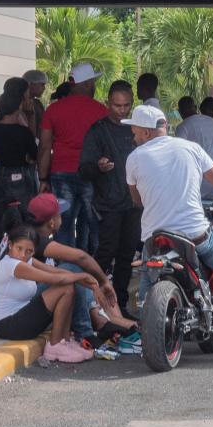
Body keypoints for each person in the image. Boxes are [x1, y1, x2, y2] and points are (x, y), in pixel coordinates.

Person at [123, 103, 213, 361]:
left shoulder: (134, 158)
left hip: (155, 238)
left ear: (146, 133)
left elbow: (137, 200)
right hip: (195, 235)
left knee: (147, 284)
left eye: (135, 132)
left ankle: (141, 336)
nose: (133, 137)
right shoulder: (191, 149)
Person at [0, 220, 94, 362]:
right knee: (65, 287)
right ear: (10, 245)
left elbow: (55, 271)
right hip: (8, 326)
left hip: (20, 317)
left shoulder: (26, 261)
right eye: (19, 248)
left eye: (29, 251)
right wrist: (82, 276)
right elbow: (53, 279)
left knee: (69, 282)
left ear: (34, 251)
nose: (23, 255)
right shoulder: (11, 265)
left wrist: (80, 276)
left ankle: (65, 341)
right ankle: (55, 345)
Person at [80, 81, 142, 313]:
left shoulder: (138, 129)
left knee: (127, 254)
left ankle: (120, 304)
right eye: (117, 106)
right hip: (108, 202)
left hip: (134, 203)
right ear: (108, 104)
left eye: (126, 105)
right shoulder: (97, 131)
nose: (122, 111)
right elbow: (83, 169)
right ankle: (88, 301)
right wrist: (98, 166)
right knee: (106, 251)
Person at [39, 62, 109, 253]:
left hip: (60, 173)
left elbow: (45, 147)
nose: (94, 86)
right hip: (92, 173)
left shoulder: (53, 110)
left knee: (64, 223)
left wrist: (43, 178)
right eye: (93, 82)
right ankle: (97, 267)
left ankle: (66, 268)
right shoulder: (101, 111)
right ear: (86, 84)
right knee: (95, 222)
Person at [0, 80, 40, 262]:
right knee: (26, 223)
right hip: (21, 177)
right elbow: (34, 154)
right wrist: (31, 119)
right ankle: (24, 262)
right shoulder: (22, 132)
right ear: (19, 103)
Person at [176, 95, 213, 170]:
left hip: (204, 174)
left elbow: (180, 152)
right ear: (196, 107)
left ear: (179, 111)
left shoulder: (182, 127)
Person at [19, 69, 49, 134]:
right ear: (31, 84)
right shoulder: (18, 104)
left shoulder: (38, 103)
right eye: (42, 84)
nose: (44, 88)